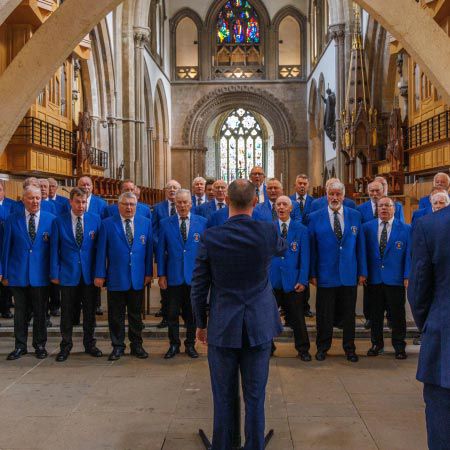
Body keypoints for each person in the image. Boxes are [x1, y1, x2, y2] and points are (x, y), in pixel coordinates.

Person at [191, 179, 287, 450]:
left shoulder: (211, 237)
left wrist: (201, 323)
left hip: (222, 325)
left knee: (223, 396)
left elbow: (198, 286)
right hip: (259, 324)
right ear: (256, 203)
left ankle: (224, 445)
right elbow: (282, 247)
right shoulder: (267, 232)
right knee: (255, 396)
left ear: (227, 202)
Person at [408, 196, 450, 450]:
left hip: (444, 342)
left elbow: (418, 290)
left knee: (442, 427)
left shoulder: (432, 225)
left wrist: (432, 323)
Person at [308, 180, 367, 362]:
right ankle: (322, 347)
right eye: (331, 194)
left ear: (343, 196)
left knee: (349, 315)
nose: (334, 197)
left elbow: (361, 246)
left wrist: (362, 271)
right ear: (326, 195)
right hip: (325, 273)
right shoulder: (314, 217)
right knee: (324, 314)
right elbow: (312, 248)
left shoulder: (355, 215)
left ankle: (349, 348)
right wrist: (312, 273)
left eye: (338, 194)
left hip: (349, 273)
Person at [95, 192, 153, 361]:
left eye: (132, 204)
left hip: (137, 277)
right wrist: (100, 274)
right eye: (125, 204)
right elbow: (101, 252)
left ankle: (137, 345)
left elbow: (148, 251)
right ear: (118, 206)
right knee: (116, 315)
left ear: (137, 206)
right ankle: (118, 346)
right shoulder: (107, 224)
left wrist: (149, 273)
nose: (129, 207)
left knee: (136, 314)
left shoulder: (145, 223)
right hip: (116, 277)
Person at [2, 186, 56, 360]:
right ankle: (20, 346)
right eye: (31, 198)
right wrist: (4, 273)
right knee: (20, 313)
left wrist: (53, 273)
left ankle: (40, 345)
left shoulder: (51, 220)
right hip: (18, 275)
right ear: (23, 199)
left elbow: (54, 251)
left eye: (38, 198)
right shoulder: (11, 220)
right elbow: (5, 249)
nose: (35, 201)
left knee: (40, 313)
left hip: (41, 276)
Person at [50, 188, 103, 361]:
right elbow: (54, 250)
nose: (81, 206)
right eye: (78, 202)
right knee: (67, 313)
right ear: (71, 202)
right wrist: (54, 273)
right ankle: (66, 346)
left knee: (89, 313)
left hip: (89, 276)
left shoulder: (95, 220)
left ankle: (90, 344)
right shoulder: (59, 222)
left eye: (84, 202)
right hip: (67, 274)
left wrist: (99, 273)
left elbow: (99, 251)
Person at [157, 189, 207, 359]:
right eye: (179, 202)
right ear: (175, 204)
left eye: (185, 202)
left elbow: (205, 252)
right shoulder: (165, 223)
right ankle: (173, 344)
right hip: (173, 277)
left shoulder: (202, 222)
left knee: (191, 314)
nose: (183, 205)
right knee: (171, 313)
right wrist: (161, 275)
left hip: (194, 278)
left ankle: (190, 344)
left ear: (191, 204)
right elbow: (161, 251)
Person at [363, 196, 410, 359]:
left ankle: (399, 346)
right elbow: (363, 253)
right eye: (381, 206)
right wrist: (363, 272)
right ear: (376, 209)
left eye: (387, 206)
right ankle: (377, 344)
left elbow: (409, 255)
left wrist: (407, 275)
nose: (384, 208)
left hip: (395, 279)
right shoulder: (366, 228)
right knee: (375, 315)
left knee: (397, 315)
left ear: (394, 208)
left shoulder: (406, 229)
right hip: (374, 279)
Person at [270, 195, 311, 361]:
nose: (281, 207)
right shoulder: (269, 228)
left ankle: (303, 349)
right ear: (275, 208)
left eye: (284, 204)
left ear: (290, 208)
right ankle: (267, 348)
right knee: (268, 319)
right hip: (272, 282)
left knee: (298, 319)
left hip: (293, 283)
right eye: (278, 204)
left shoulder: (301, 230)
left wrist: (302, 280)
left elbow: (305, 257)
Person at [151, 180, 181, 328]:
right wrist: (160, 245)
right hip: (163, 252)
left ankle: (180, 315)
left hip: (179, 254)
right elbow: (154, 230)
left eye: (175, 188)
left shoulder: (186, 207)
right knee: (164, 286)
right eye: (169, 188)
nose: (172, 190)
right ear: (165, 191)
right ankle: (165, 316)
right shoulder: (158, 208)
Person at [78, 176, 107, 316]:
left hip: (95, 246)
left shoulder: (101, 203)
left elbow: (104, 224)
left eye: (88, 184)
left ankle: (96, 304)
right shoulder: (70, 203)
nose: (85, 187)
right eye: (82, 184)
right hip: (79, 245)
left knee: (95, 276)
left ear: (92, 187)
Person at [0, 180, 16, 319]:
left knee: (5, 280)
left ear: (3, 191)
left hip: (6, 246)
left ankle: (5, 308)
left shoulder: (11, 204)